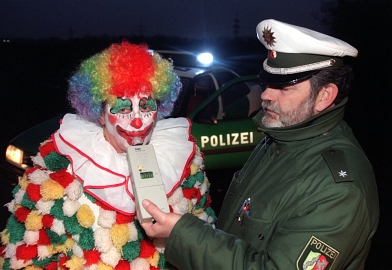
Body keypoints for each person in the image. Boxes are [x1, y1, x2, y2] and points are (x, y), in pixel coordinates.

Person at [140, 19, 379, 269]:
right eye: (268, 82)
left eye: (284, 87)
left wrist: (183, 234)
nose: (265, 94)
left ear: (324, 96)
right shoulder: (279, 139)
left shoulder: (339, 191)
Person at [0, 42, 216, 269]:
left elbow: (205, 239)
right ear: (100, 114)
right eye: (122, 108)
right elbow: (22, 257)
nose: (137, 120)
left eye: (146, 106)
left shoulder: (184, 162)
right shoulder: (59, 165)